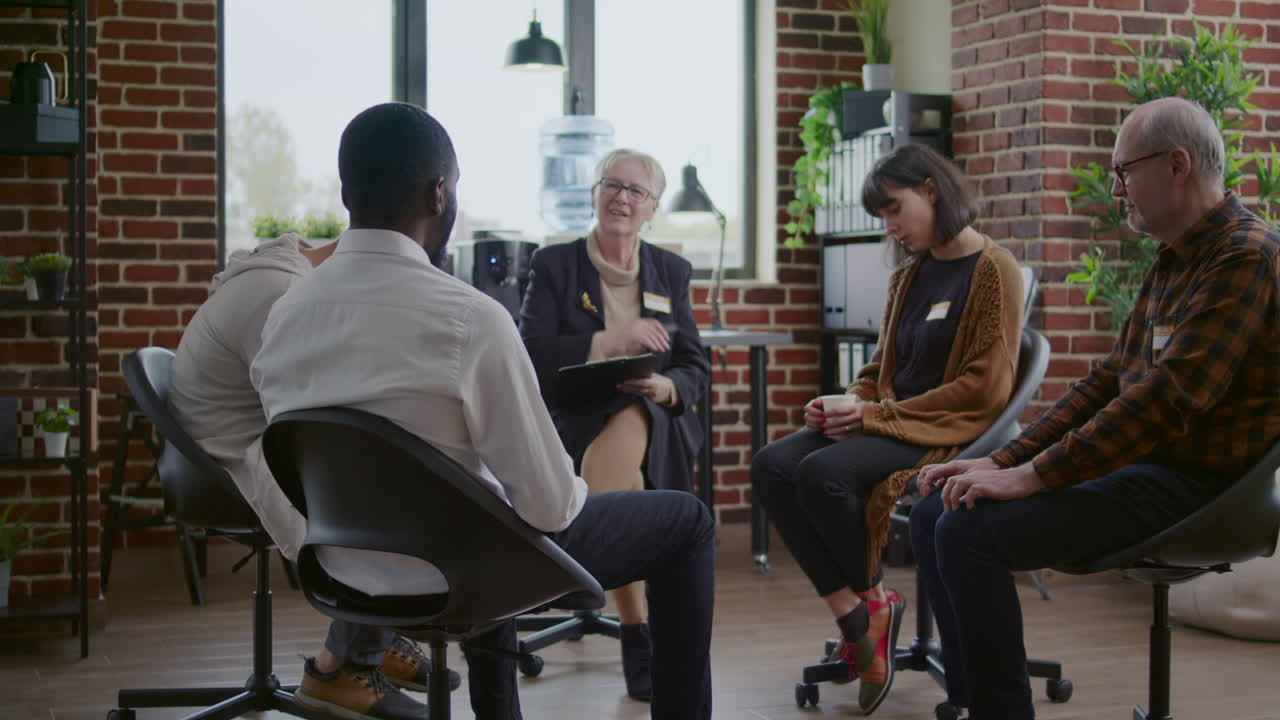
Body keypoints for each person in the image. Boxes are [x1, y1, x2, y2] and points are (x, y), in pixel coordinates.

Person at [250, 102, 715, 720]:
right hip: (460, 571)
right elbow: (551, 507)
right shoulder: (468, 318)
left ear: (346, 192)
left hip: (338, 573)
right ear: (440, 193)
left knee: (480, 507)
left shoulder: (284, 315)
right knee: (686, 522)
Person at [911, 96, 1280, 720]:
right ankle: (976, 702)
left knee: (968, 531)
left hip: (1201, 485)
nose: (1116, 189)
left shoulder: (1245, 257)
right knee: (934, 510)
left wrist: (1026, 476)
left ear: (1177, 165)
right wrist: (1001, 460)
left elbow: (1164, 403)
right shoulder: (1176, 256)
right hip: (1149, 467)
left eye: (1123, 171)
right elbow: (1110, 381)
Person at [751, 142, 1024, 715]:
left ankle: (870, 609)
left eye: (895, 209)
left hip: (944, 430)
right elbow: (881, 368)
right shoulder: (911, 275)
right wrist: (845, 402)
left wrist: (873, 416)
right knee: (772, 465)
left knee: (823, 475)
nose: (891, 227)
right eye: (883, 217)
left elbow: (984, 387)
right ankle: (860, 610)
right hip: (887, 419)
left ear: (931, 189)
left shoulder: (994, 269)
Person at [168, 233, 457, 720]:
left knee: (381, 466)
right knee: (378, 488)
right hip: (225, 462)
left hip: (243, 438)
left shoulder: (291, 278)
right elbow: (309, 399)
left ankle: (369, 644)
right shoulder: (276, 294)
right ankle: (338, 671)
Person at [519, 148, 710, 701]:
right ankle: (634, 632)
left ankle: (579, 563)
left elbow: (693, 364)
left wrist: (667, 387)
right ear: (595, 193)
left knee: (633, 411)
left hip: (653, 417)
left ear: (652, 208)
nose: (622, 198)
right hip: (576, 416)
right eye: (613, 185)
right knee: (625, 483)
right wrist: (611, 343)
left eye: (637, 192)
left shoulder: (670, 271)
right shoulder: (554, 266)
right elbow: (531, 355)